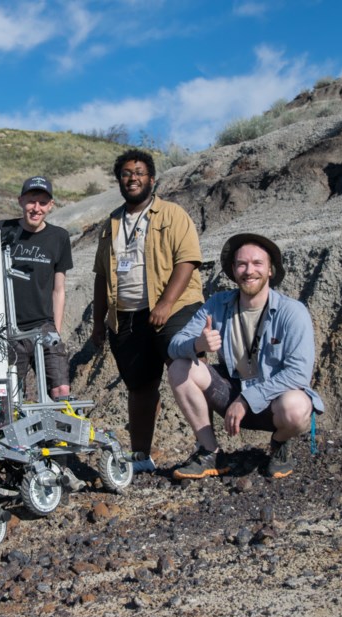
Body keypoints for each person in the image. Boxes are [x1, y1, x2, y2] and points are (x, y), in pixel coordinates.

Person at [167, 233, 325, 480]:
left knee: (296, 407)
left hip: (272, 401)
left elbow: (298, 374)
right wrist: (197, 343)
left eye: (257, 264)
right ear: (233, 270)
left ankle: (280, 444)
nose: (249, 271)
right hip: (231, 391)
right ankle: (210, 452)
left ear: (270, 270)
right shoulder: (217, 304)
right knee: (179, 367)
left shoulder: (292, 312)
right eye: (242, 264)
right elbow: (174, 345)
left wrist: (246, 400)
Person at [91, 149, 205, 473]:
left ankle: (207, 447)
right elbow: (101, 275)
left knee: (185, 369)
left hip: (175, 308)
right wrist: (99, 322)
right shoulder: (110, 224)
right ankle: (141, 457)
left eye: (139, 172)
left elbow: (188, 260)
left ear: (152, 179)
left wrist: (167, 303)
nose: (133, 178)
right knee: (139, 387)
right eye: (127, 173)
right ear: (119, 181)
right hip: (126, 317)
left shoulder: (172, 214)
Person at [0, 175, 73, 400]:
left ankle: (58, 434)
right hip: (8, 327)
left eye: (43, 202)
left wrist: (56, 329)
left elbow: (58, 289)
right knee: (9, 394)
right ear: (21, 201)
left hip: (43, 325)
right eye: (32, 201)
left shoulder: (59, 237)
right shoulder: (2, 230)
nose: (36, 208)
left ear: (50, 205)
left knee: (60, 390)